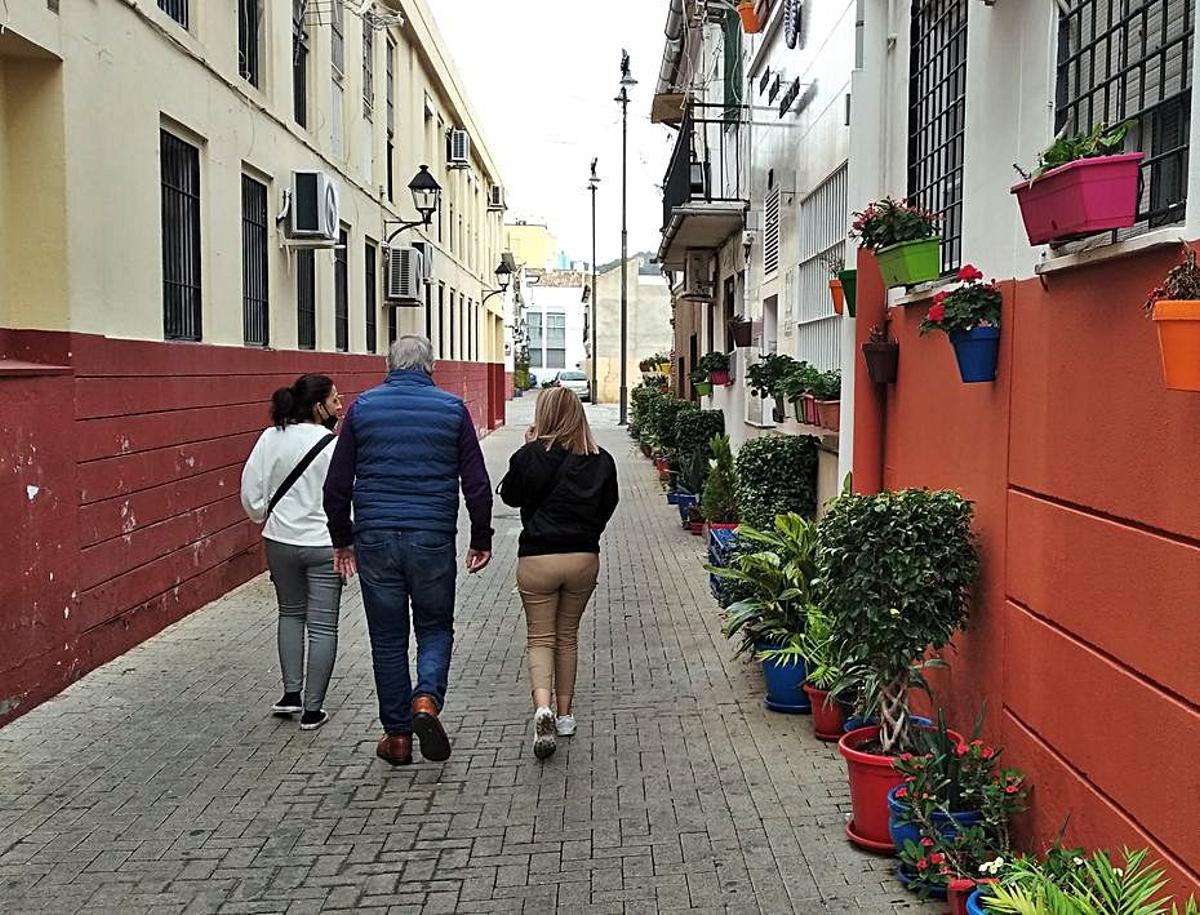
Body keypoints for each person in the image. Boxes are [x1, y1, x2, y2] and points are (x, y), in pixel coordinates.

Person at [324, 335, 493, 767]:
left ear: (389, 365)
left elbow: (337, 485)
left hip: (376, 537)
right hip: (432, 536)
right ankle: (426, 701)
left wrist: (342, 539)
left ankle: (397, 737)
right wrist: (480, 537)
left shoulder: (362, 409)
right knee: (435, 627)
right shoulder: (452, 410)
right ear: (430, 367)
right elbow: (475, 483)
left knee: (387, 639)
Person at [499, 386, 619, 759]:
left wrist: (527, 448)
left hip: (537, 559)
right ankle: (566, 716)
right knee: (567, 637)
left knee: (540, 637)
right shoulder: (602, 459)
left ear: (544, 416)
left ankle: (542, 707)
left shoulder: (529, 456)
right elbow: (608, 504)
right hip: (583, 558)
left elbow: (510, 497)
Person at [240, 374, 344, 731]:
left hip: (280, 541)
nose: (339, 406)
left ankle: (290, 695)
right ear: (318, 407)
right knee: (323, 626)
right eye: (334, 400)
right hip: (323, 544)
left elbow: (251, 491)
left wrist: (261, 514)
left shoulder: (271, 437)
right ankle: (313, 710)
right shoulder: (333, 445)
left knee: (290, 614)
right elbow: (347, 495)